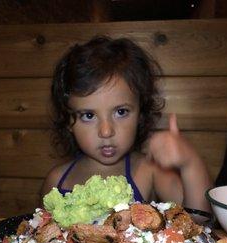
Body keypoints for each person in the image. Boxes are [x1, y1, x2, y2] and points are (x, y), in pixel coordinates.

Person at [40, 36, 212, 211]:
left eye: (121, 112)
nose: (106, 131)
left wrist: (191, 163)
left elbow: (199, 219)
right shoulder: (55, 180)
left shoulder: (151, 171)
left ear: (140, 113)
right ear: (68, 121)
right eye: (89, 115)